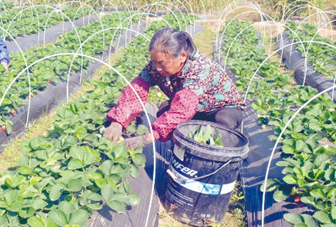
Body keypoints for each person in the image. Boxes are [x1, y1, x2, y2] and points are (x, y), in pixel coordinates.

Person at [104, 27, 245, 149]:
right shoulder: (156, 67)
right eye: (154, 62)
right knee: (164, 110)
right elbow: (137, 89)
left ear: (182, 56)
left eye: (162, 63)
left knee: (223, 121)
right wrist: (117, 123)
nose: (157, 68)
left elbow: (184, 107)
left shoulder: (199, 68)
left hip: (221, 109)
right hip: (196, 109)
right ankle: (183, 146)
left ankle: (221, 152)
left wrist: (146, 138)